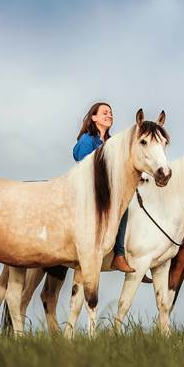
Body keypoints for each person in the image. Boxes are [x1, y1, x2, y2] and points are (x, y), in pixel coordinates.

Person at [73, 101, 136, 273]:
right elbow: (82, 164)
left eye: (111, 113)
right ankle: (119, 253)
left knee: (128, 205)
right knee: (123, 210)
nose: (109, 115)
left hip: (107, 191)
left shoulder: (112, 143)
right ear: (94, 117)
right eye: (105, 112)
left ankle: (125, 255)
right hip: (89, 191)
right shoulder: (87, 140)